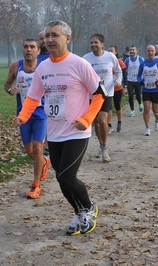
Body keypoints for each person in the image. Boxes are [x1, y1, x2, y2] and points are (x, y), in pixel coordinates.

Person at [13, 20, 104, 235]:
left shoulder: (79, 64)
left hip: (76, 131)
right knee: (60, 177)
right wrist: (22, 116)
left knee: (66, 177)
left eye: (55, 35)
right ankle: (79, 211)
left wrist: (87, 118)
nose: (49, 39)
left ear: (67, 38)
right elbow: (33, 97)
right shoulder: (43, 67)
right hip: (54, 133)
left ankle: (89, 208)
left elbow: (99, 94)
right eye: (47, 36)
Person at [4, 38, 50, 199]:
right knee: (29, 151)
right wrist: (11, 90)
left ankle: (36, 185)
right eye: (26, 47)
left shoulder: (44, 67)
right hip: (23, 114)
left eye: (32, 47)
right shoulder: (16, 66)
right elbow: (7, 84)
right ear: (22, 49)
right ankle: (44, 162)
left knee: (38, 147)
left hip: (41, 113)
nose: (29, 49)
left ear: (38, 51)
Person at [83, 34, 122, 162]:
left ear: (102, 44)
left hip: (107, 93)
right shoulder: (86, 58)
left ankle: (105, 147)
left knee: (102, 119)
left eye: (96, 42)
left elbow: (119, 70)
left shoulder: (110, 56)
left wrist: (118, 81)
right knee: (96, 123)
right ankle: (101, 145)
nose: (93, 45)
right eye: (91, 43)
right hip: (91, 94)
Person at [137, 45, 158, 136]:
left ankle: (157, 120)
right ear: (146, 52)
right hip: (146, 90)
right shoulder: (143, 64)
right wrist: (140, 81)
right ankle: (147, 128)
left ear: (155, 51)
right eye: (148, 51)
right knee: (146, 109)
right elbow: (138, 75)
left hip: (156, 90)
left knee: (155, 110)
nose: (150, 53)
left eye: (152, 51)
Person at [107, 45, 126, 133]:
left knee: (117, 105)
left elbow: (124, 75)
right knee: (108, 107)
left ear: (116, 52)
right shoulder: (105, 63)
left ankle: (119, 121)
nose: (110, 52)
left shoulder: (119, 62)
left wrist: (125, 86)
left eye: (112, 51)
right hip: (108, 89)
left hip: (118, 88)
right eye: (108, 51)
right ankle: (109, 125)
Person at [37, 31, 50, 156]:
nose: (43, 41)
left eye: (44, 38)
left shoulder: (54, 55)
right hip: (38, 94)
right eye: (40, 38)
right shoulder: (36, 57)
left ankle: (47, 145)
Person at [124, 45, 144, 117]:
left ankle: (140, 103)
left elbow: (144, 69)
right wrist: (124, 82)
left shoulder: (140, 59)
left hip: (138, 81)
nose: (132, 51)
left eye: (133, 50)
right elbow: (125, 71)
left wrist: (143, 79)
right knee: (130, 96)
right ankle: (132, 110)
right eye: (131, 50)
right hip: (130, 81)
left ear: (136, 51)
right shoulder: (127, 60)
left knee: (138, 95)